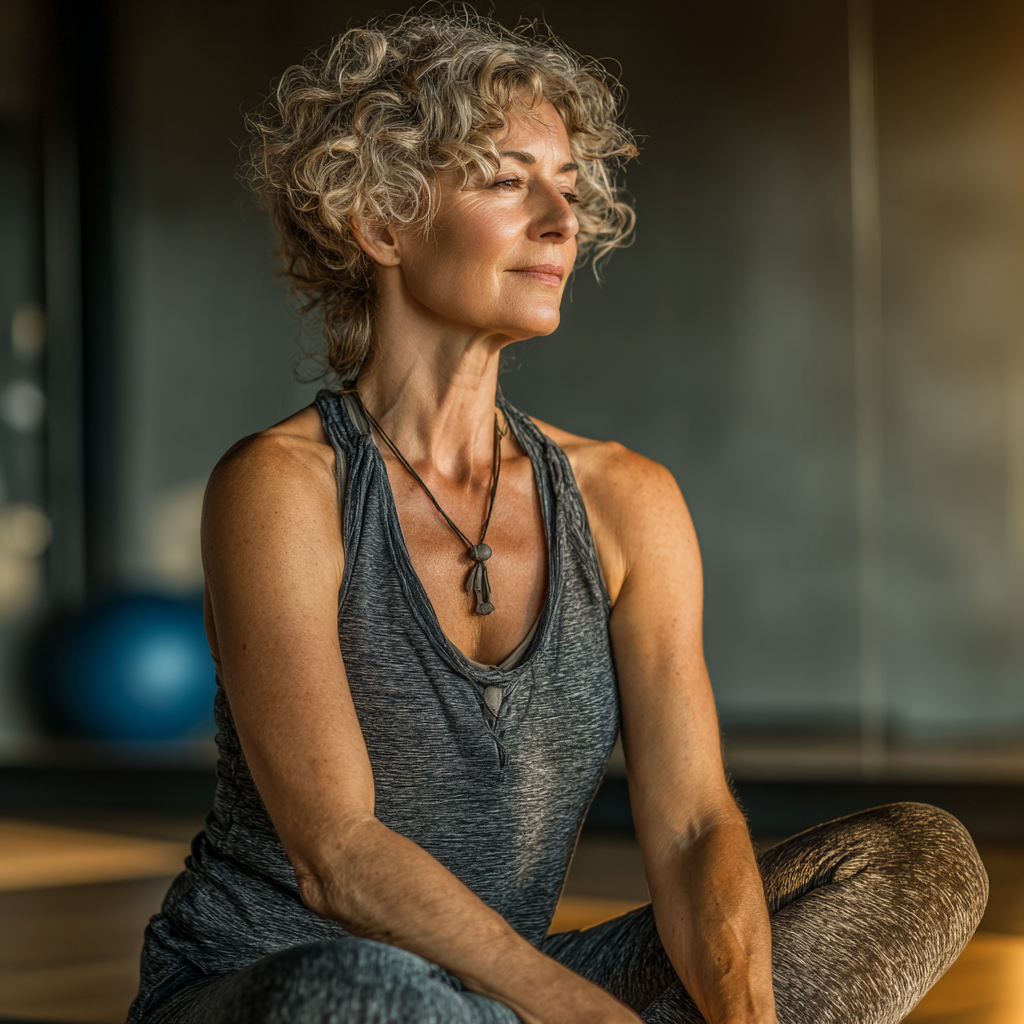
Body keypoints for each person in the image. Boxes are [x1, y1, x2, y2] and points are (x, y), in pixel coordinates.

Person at [128, 10, 987, 1024]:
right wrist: (580, 1015)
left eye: (569, 188)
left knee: (918, 857)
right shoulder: (282, 487)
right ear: (383, 223)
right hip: (278, 981)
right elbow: (337, 855)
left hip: (498, 995)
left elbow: (692, 827)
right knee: (365, 984)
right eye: (507, 180)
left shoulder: (626, 498)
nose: (560, 220)